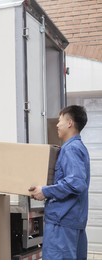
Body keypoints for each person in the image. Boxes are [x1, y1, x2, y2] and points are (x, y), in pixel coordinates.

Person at [29, 105, 90, 260]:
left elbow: (76, 183)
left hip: (62, 224)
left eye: (60, 120)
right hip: (73, 223)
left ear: (69, 123)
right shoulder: (79, 147)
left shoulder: (70, 149)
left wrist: (45, 191)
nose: (57, 124)